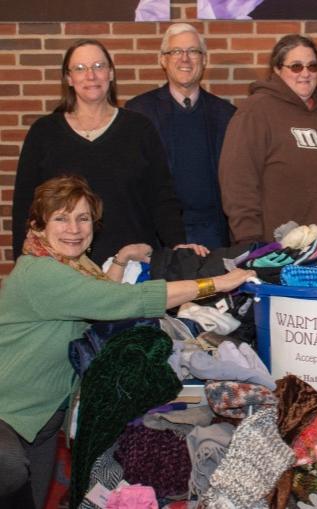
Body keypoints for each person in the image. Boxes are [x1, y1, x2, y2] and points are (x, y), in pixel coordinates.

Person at [0, 175, 254, 509]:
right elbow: (124, 301)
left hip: (41, 419)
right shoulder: (41, 273)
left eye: (83, 217)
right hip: (9, 411)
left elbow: (103, 296)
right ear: (38, 225)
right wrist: (216, 283)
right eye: (61, 218)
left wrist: (121, 259)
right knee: (10, 473)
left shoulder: (75, 264)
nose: (73, 229)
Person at [12, 39, 193, 266]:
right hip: (63, 268)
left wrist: (177, 245)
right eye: (80, 68)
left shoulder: (139, 128)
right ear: (69, 78)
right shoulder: (44, 133)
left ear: (111, 73)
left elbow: (162, 197)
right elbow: (24, 207)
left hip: (132, 266)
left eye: (99, 67)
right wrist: (24, 264)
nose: (91, 76)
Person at [219, 34, 317, 245]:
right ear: (277, 70)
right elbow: (238, 180)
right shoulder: (256, 110)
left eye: (312, 67)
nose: (305, 73)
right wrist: (249, 241)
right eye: (296, 66)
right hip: (283, 252)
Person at [127, 24, 236, 248]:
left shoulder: (227, 115)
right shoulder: (138, 112)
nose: (185, 59)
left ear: (204, 60)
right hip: (156, 236)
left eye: (193, 51)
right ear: (163, 60)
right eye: (176, 51)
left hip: (214, 235)